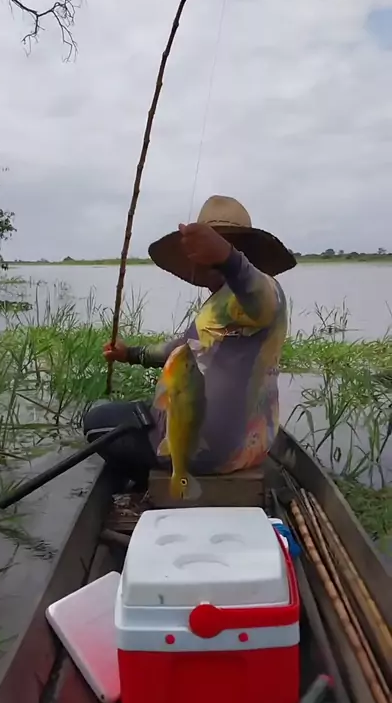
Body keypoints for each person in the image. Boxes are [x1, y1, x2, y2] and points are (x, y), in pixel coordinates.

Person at [83, 195, 296, 489]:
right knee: (124, 411)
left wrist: (228, 258)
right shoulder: (221, 301)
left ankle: (153, 481)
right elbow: (180, 349)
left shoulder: (265, 292)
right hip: (250, 446)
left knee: (96, 419)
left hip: (208, 450)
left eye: (227, 246)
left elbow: (260, 294)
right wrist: (130, 353)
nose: (210, 257)